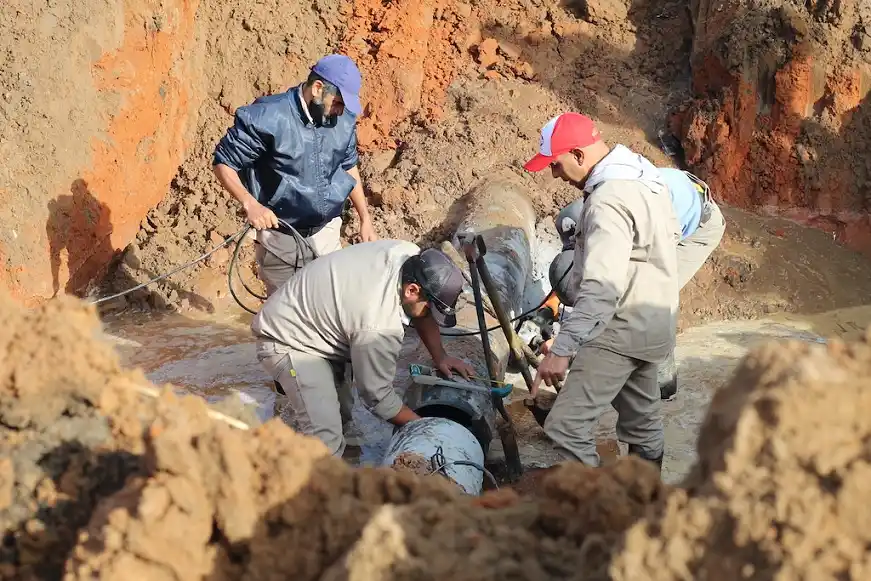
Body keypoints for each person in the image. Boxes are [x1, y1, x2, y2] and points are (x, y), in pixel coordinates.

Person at [523, 112, 681, 471]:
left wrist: (561, 350)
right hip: (652, 324)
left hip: (618, 329)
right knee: (644, 427)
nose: (555, 174)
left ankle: (600, 512)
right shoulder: (645, 177)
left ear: (578, 155)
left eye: (557, 164)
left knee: (566, 428)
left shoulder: (607, 201)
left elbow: (601, 287)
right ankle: (645, 510)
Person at [250, 239, 475, 457]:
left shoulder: (408, 255)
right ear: (412, 291)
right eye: (430, 309)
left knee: (342, 412)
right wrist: (424, 427)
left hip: (321, 321)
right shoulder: (378, 326)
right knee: (325, 440)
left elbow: (421, 312)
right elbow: (377, 397)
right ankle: (290, 486)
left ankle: (319, 454)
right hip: (288, 340)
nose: (429, 315)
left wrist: (441, 356)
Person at [543, 167, 726, 399]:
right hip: (671, 201)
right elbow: (573, 267)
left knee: (648, 306)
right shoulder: (579, 218)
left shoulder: (631, 226)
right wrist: (553, 304)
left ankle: (663, 386)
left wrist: (566, 347)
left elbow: (615, 301)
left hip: (696, 226)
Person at [212, 54, 378, 297]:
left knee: (330, 310)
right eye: (338, 103)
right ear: (318, 88)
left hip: (327, 235)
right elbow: (224, 162)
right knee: (286, 322)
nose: (340, 111)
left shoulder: (342, 120)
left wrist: (365, 218)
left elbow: (348, 164)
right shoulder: (267, 117)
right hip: (282, 242)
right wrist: (251, 205)